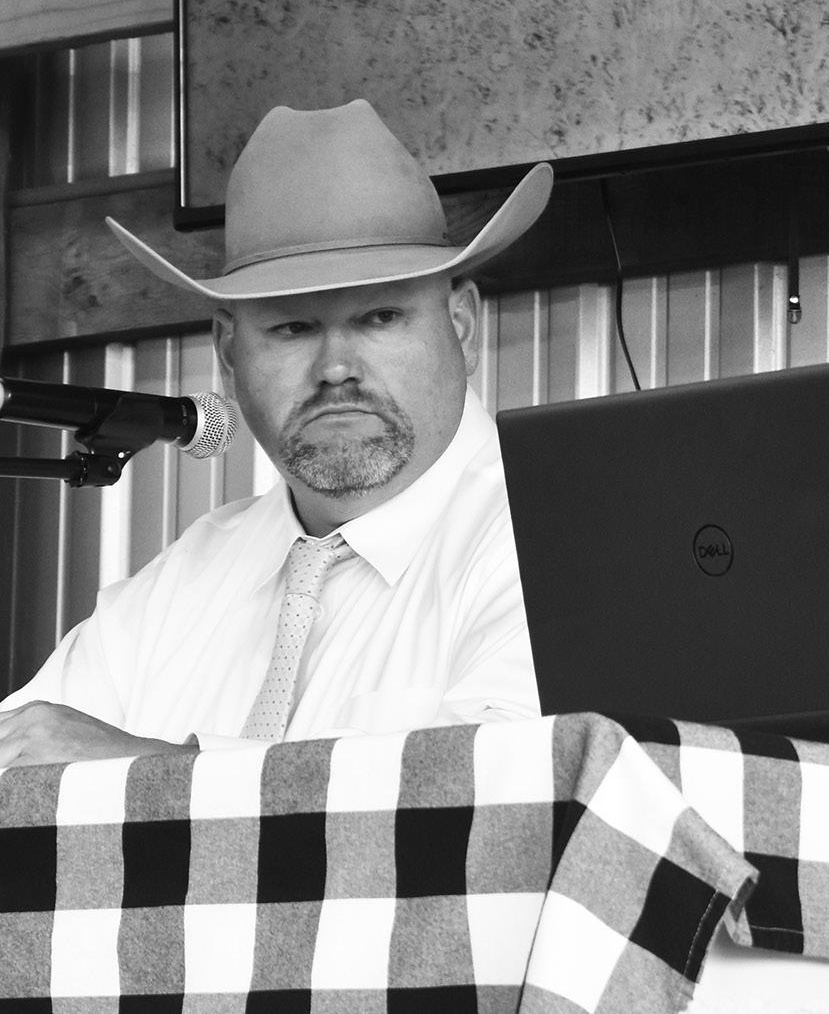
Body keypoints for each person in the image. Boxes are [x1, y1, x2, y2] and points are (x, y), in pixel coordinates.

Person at [0, 99, 553, 764]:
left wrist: (143, 770)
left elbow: (498, 791)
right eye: (293, 328)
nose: (336, 368)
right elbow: (24, 751)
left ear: (461, 327)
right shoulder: (183, 582)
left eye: (380, 317)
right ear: (229, 355)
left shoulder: (555, 540)